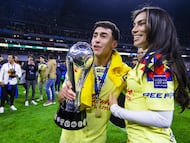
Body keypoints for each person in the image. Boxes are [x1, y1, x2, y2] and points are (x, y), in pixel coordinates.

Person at [109, 6, 190, 143]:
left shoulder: (156, 65)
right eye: (134, 24)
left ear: (158, 28)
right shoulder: (147, 61)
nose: (133, 29)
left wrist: (116, 110)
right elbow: (137, 91)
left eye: (141, 23)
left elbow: (163, 119)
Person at [58, 21, 131, 143]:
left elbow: (140, 98)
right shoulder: (78, 66)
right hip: (67, 139)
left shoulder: (122, 72)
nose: (96, 40)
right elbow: (60, 98)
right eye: (95, 35)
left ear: (114, 44)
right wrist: (62, 94)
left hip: (97, 139)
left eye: (103, 36)